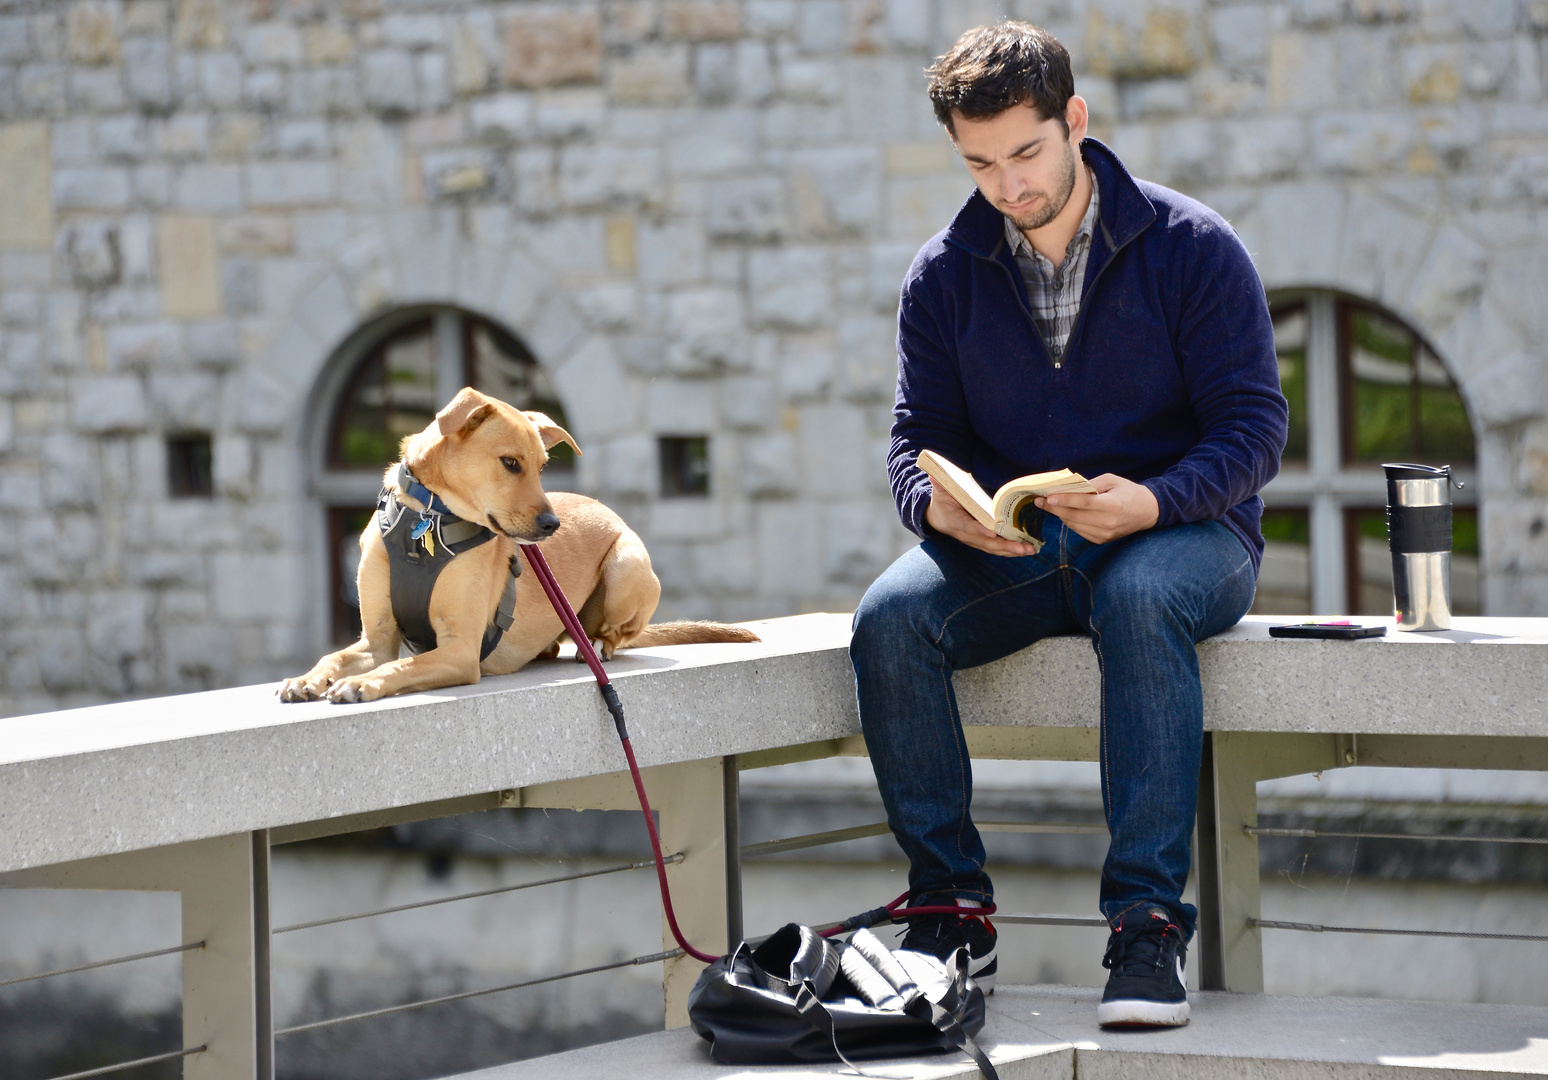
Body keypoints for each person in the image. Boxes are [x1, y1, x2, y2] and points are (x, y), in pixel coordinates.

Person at [850, 21, 1288, 1027]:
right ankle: (952, 910)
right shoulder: (943, 274)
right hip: (1024, 547)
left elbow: (1257, 428)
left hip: (1191, 534)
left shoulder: (1193, 250)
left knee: (1136, 597)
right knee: (888, 620)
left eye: (1026, 153)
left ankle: (1145, 929)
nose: (1006, 185)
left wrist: (1155, 500)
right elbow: (914, 438)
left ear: (1074, 122)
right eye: (979, 163)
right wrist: (940, 511)